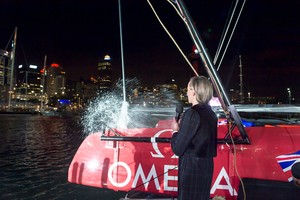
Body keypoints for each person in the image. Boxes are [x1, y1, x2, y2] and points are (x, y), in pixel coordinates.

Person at [171, 76, 218, 200]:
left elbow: (177, 148)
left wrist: (175, 131)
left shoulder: (191, 113)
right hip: (207, 166)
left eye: (187, 89)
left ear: (193, 91)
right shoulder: (211, 113)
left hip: (192, 167)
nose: (186, 92)